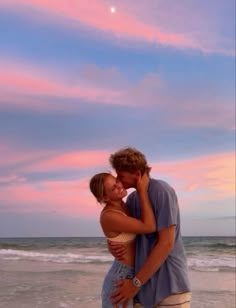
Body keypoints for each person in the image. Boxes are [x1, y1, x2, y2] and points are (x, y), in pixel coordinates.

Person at [108, 147, 191, 308]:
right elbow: (128, 236)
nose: (118, 180)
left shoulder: (162, 191)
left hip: (169, 285)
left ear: (137, 174)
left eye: (121, 176)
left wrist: (135, 283)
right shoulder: (132, 199)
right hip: (142, 288)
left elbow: (166, 243)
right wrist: (114, 244)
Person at [89, 172, 156, 307]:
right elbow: (149, 226)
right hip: (121, 276)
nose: (119, 186)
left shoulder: (124, 206)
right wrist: (142, 191)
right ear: (105, 197)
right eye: (113, 188)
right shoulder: (110, 216)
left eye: (116, 181)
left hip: (132, 274)